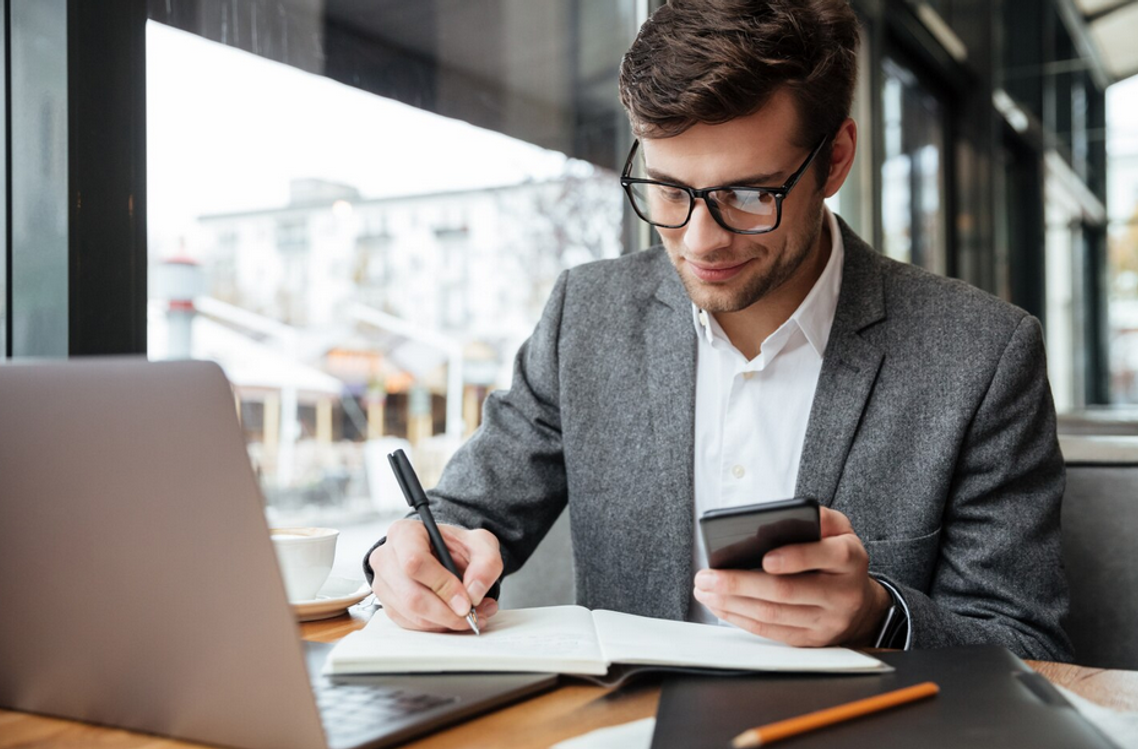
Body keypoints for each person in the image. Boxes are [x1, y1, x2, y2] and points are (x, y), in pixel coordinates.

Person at [364, 0, 1072, 660]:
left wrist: (877, 615)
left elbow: (1026, 645)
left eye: (747, 194)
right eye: (670, 190)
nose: (701, 239)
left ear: (835, 159)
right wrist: (411, 560)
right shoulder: (588, 315)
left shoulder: (981, 355)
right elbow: (461, 516)